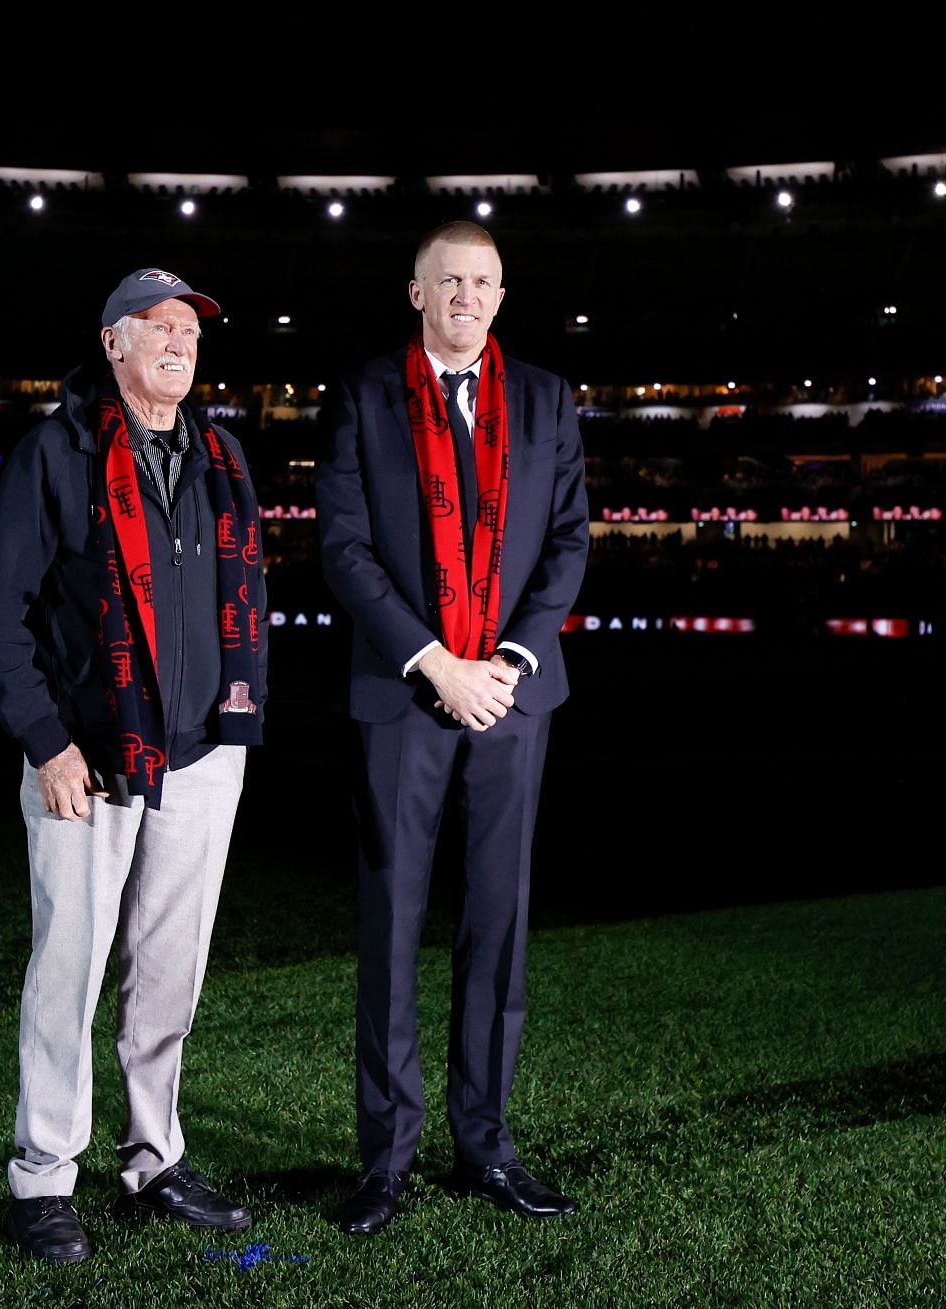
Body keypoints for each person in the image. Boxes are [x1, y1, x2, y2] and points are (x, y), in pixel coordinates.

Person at [0, 268, 269, 1263]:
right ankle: (46, 1174)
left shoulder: (221, 454)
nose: (180, 341)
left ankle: (154, 1156)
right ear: (112, 344)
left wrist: (232, 726)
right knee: (70, 970)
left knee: (168, 974)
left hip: (201, 754)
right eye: (159, 325)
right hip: (86, 760)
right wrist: (46, 741)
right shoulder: (56, 451)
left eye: (190, 328)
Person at [316, 220, 591, 1235]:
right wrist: (434, 661)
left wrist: (506, 663)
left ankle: (487, 1146)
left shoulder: (549, 398)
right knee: (392, 922)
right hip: (405, 694)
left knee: (499, 926)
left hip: (514, 697)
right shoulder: (361, 395)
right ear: (417, 291)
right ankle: (384, 1160)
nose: (467, 294)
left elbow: (567, 545)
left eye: (483, 281)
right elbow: (344, 551)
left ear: (500, 295)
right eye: (450, 280)